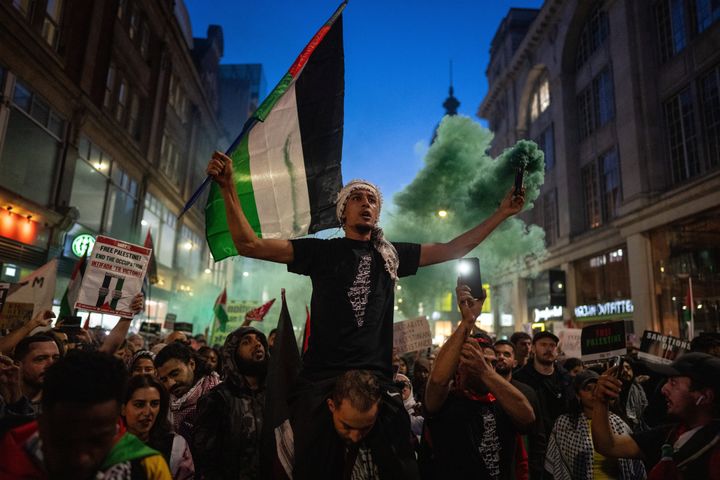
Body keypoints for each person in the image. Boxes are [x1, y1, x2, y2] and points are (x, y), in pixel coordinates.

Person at [420, 283, 535, 479]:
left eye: (490, 362)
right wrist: (467, 322)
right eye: (474, 360)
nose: (483, 365)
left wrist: (483, 371)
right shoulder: (446, 401)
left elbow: (528, 418)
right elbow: (438, 381)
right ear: (458, 367)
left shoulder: (502, 399)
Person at [0, 350, 171, 479]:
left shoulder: (148, 468)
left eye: (98, 440)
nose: (81, 458)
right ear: (43, 421)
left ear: (116, 426)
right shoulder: (7, 454)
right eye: (66, 439)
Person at [592, 352, 720, 479]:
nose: (664, 389)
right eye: (667, 381)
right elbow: (609, 445)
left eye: (674, 383)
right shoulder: (670, 436)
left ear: (705, 397)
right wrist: (601, 401)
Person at [192, 326, 269, 479]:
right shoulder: (217, 399)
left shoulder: (275, 396)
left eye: (259, 340)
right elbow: (206, 459)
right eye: (247, 342)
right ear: (232, 354)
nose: (257, 344)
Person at [545, 369, 646, 479]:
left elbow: (633, 463)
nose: (594, 393)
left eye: (597, 387)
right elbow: (557, 464)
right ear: (578, 395)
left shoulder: (617, 422)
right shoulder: (565, 423)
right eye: (588, 389)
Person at [122, 374, 194, 479]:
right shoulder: (112, 444)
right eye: (139, 404)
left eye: (154, 404)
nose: (148, 412)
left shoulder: (175, 446)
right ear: (122, 408)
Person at [494, 339, 546, 480]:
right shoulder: (482, 390)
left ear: (515, 362)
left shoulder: (526, 392)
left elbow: (537, 434)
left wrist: (536, 469)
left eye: (506, 354)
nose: (501, 357)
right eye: (497, 353)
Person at [154, 341, 220, 442]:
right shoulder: (165, 403)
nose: (171, 383)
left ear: (192, 364)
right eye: (164, 379)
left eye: (175, 374)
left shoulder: (219, 395)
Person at [514, 331, 574, 440]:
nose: (549, 349)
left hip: (563, 438)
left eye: (552, 345)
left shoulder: (565, 377)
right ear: (533, 349)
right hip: (533, 439)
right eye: (543, 345)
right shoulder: (520, 378)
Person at [13, 334, 60, 415]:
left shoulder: (61, 402)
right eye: (41, 359)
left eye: (56, 358)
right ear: (18, 365)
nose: (51, 364)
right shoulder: (5, 402)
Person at [612, 358, 649, 433]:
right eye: (621, 368)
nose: (625, 370)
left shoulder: (639, 388)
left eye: (628, 368)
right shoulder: (613, 391)